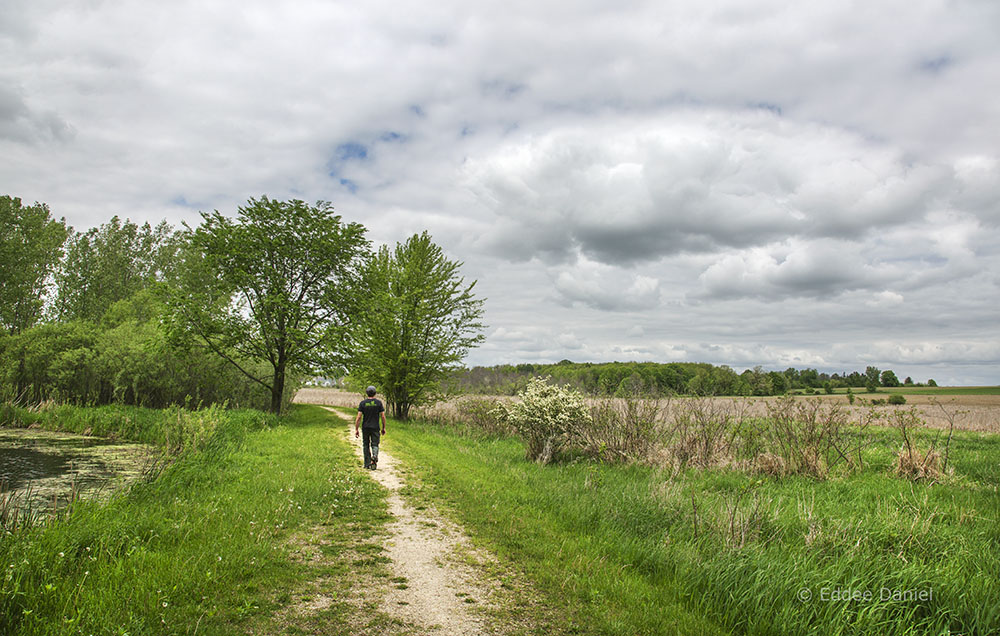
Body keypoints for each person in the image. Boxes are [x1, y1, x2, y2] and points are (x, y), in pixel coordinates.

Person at [354, 386, 386, 469]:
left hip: (365, 427)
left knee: (366, 444)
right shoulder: (378, 403)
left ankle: (367, 463)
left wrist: (356, 429)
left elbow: (359, 417)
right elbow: (382, 416)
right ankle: (374, 456)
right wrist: (383, 427)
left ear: (367, 393)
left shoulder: (363, 403)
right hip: (375, 427)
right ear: (375, 393)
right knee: (375, 444)